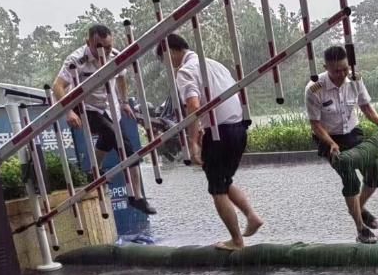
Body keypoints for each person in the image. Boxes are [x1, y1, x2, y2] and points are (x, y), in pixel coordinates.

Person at [159, 33, 264, 251]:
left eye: (164, 59)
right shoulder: (214, 65)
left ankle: (236, 241)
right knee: (223, 179)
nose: (166, 65)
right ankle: (252, 216)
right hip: (238, 128)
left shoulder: (186, 71)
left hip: (219, 132)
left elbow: (193, 106)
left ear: (171, 51)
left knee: (217, 188)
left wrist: (193, 141)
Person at [53, 24, 156, 215]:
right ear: (88, 43)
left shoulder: (115, 55)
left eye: (107, 47)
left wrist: (124, 102)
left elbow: (121, 78)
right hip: (84, 107)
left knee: (109, 138)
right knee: (123, 143)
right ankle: (137, 196)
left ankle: (94, 170)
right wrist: (68, 112)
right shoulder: (77, 60)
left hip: (109, 106)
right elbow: (58, 86)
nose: (103, 52)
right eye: (98, 47)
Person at [304, 46, 378, 244]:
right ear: (326, 67)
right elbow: (315, 124)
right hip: (329, 138)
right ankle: (361, 229)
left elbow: (366, 108)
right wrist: (331, 144)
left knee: (376, 172)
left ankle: (357, 208)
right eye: (336, 71)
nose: (342, 74)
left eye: (344, 69)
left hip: (353, 134)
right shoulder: (314, 89)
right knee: (350, 179)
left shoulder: (354, 79)